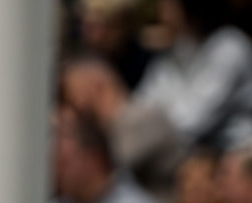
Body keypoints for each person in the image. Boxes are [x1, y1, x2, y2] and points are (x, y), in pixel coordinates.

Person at [133, 0, 252, 149]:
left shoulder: (230, 46)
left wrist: (151, 129)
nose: (162, 16)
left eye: (170, 9)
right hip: (185, 148)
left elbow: (194, 120)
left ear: (193, 9)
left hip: (239, 148)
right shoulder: (178, 47)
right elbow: (142, 107)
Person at [60, 54, 185, 195]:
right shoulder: (111, 128)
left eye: (70, 93)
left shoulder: (142, 116)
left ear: (94, 86)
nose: (69, 108)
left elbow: (112, 166)